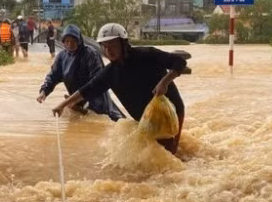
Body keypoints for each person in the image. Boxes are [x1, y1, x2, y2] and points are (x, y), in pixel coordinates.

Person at [52, 23, 187, 155]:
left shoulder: (147, 54)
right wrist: (62, 105)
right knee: (150, 156)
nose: (109, 51)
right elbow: (87, 90)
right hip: (145, 120)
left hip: (170, 113)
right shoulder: (109, 73)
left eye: (113, 46)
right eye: (105, 47)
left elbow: (180, 63)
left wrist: (164, 82)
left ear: (124, 43)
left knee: (168, 156)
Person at [37, 25, 124, 120]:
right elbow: (53, 76)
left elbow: (95, 83)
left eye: (73, 41)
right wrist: (44, 91)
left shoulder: (91, 54)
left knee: (104, 120)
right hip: (76, 101)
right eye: (67, 41)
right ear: (63, 42)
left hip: (97, 102)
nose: (70, 44)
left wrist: (67, 103)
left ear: (79, 41)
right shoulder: (62, 57)